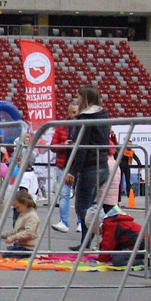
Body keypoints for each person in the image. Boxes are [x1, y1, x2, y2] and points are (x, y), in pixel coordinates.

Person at [64, 85, 110, 251]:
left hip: (90, 167)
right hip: (102, 164)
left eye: (79, 97)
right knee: (91, 206)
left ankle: (89, 240)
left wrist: (72, 171)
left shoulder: (86, 118)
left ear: (85, 98)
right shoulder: (103, 114)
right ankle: (89, 240)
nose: (77, 100)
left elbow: (82, 147)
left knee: (83, 207)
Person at [49, 101, 78, 233]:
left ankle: (81, 223)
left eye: (77, 112)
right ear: (68, 112)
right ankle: (64, 222)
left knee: (81, 196)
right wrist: (63, 144)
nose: (75, 115)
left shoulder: (85, 125)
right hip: (64, 165)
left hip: (79, 165)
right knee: (64, 194)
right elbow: (53, 146)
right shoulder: (61, 127)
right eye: (73, 112)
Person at [2, 189, 39, 255]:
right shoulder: (23, 214)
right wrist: (0, 235)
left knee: (6, 255)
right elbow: (15, 232)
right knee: (6, 252)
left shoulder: (32, 216)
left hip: (28, 249)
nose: (17, 210)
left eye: (18, 207)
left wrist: (13, 238)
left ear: (25, 203)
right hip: (21, 246)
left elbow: (29, 233)